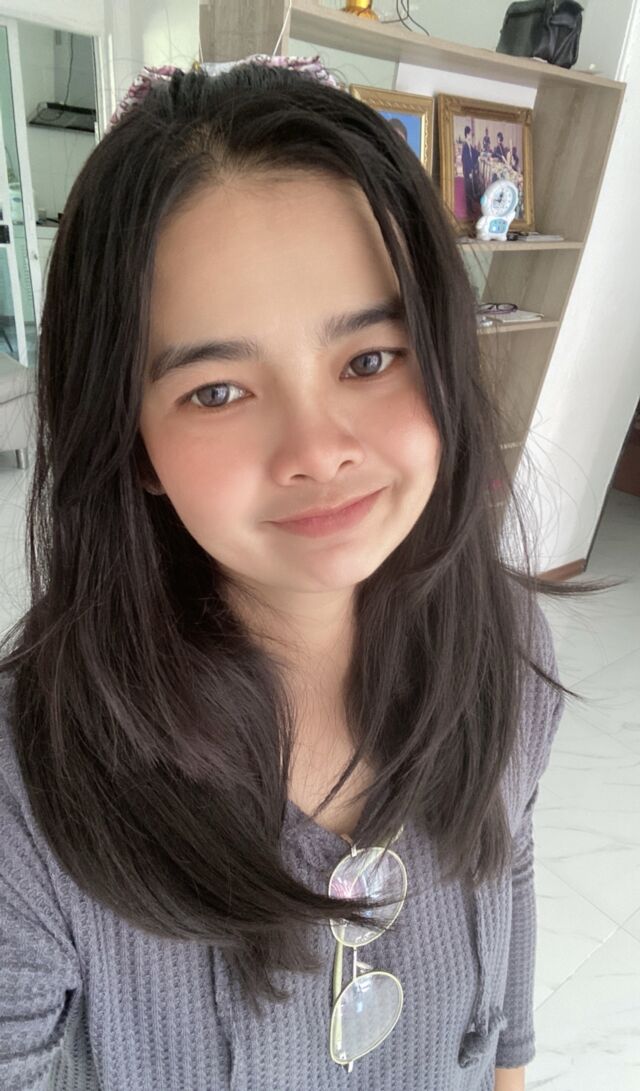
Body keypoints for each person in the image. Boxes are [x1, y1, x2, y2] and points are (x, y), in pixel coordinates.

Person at [0, 57, 614, 1091]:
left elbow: (504, 853)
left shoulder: (505, 643)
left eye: (369, 359)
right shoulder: (28, 788)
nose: (317, 450)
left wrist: (510, 1069)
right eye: (218, 389)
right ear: (131, 442)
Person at [461, 124, 480, 216]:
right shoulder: (465, 145)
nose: (471, 135)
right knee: (468, 189)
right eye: (470, 134)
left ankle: (470, 207)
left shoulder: (469, 144)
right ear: (467, 134)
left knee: (470, 189)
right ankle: (469, 209)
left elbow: (474, 152)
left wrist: (481, 153)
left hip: (469, 171)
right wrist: (469, 172)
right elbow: (465, 160)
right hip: (467, 171)